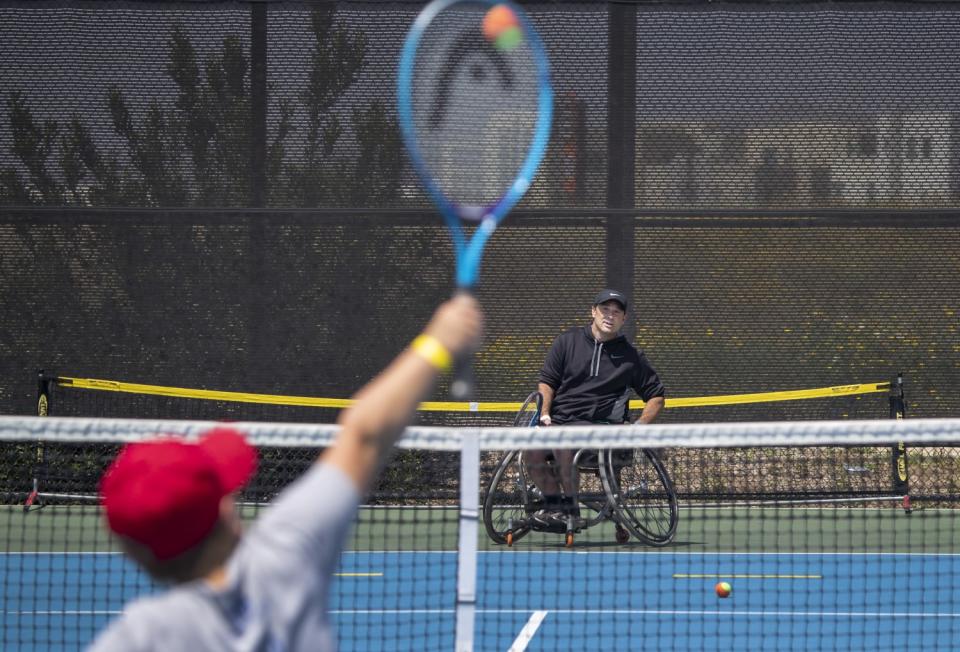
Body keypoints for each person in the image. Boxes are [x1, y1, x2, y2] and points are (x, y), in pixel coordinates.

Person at [89, 295, 483, 651]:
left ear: (136, 554)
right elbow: (364, 434)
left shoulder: (140, 638)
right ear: (225, 511)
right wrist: (439, 342)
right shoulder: (283, 561)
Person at [527, 289, 665, 528]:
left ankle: (571, 510)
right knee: (531, 452)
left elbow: (656, 396)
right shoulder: (566, 342)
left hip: (601, 429)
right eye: (605, 310)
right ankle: (554, 505)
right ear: (593, 312)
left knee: (563, 441)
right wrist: (545, 414)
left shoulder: (632, 357)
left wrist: (639, 427)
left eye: (616, 312)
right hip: (559, 421)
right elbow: (547, 382)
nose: (609, 316)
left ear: (623, 319)